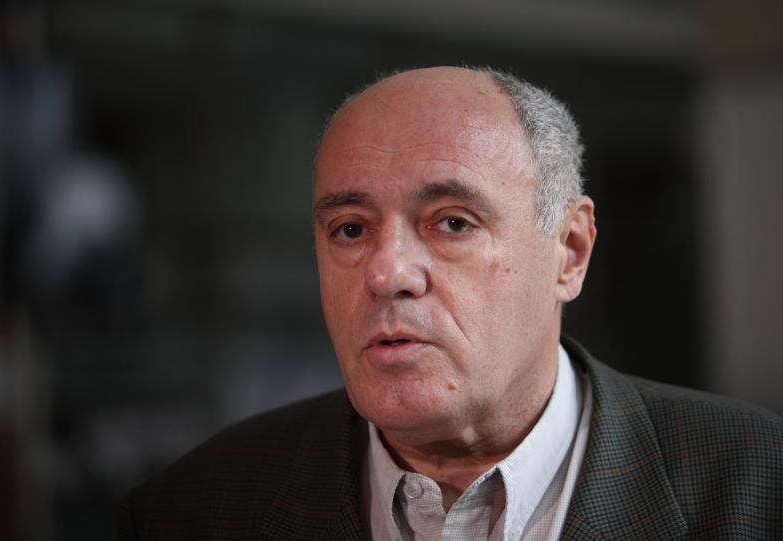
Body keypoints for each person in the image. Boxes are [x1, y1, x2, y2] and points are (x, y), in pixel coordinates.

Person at [118, 66, 783, 541]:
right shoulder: (191, 511)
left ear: (570, 251)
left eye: (453, 222)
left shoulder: (760, 485)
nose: (387, 272)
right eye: (349, 229)